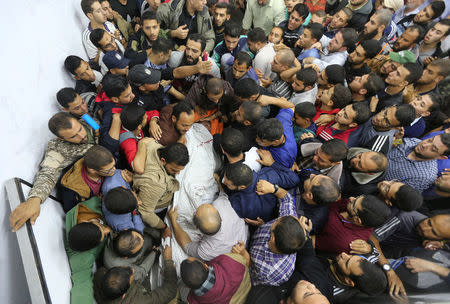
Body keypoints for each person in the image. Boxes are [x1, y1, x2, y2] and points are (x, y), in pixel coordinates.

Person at [10, 112, 98, 232]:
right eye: (73, 136)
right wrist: (35, 199)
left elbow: (103, 130)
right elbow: (48, 173)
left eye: (80, 129)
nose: (82, 136)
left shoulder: (89, 121)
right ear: (61, 138)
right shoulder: (57, 149)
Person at [248, 181, 311, 286]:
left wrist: (247, 259)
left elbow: (250, 275)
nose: (275, 220)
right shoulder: (287, 220)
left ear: (272, 238)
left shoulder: (271, 272)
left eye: (273, 224)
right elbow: (286, 198)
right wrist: (273, 188)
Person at [168, 190, 249, 261]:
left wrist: (173, 221)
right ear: (221, 219)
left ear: (196, 228)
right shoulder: (221, 204)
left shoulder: (206, 250)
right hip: (244, 241)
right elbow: (222, 191)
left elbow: (187, 246)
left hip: (240, 250)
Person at [94, 240, 177, 303]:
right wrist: (168, 261)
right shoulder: (137, 300)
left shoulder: (99, 275)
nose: (133, 270)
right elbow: (170, 291)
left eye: (124, 268)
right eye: (131, 276)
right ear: (124, 296)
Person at [64, 196, 111, 303]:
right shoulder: (80, 259)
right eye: (104, 235)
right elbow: (82, 285)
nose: (107, 230)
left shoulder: (90, 206)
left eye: (102, 227)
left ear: (84, 221)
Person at [133, 141, 189, 229]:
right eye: (174, 170)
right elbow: (146, 213)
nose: (178, 173)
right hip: (155, 204)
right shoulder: (156, 184)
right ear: (163, 161)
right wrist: (164, 227)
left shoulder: (152, 145)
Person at [224, 158, 299, 222]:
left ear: (242, 187)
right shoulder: (270, 175)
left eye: (228, 184)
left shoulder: (242, 205)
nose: (224, 182)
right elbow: (295, 179)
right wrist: (273, 163)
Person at [315, 194, 391, 255]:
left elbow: (311, 240)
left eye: (353, 203)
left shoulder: (344, 241)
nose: (351, 198)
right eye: (357, 197)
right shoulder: (356, 209)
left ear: (357, 220)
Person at [385, 133, 450, 193]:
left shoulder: (424, 177)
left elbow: (395, 193)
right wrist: (394, 140)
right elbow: (392, 143)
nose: (424, 145)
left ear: (441, 157)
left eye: (433, 149)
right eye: (429, 140)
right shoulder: (413, 141)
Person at [59, 145, 116, 212]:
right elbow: (72, 211)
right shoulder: (72, 191)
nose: (114, 169)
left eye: (114, 165)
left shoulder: (103, 162)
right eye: (109, 170)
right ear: (92, 170)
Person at [180, 250, 252, 303]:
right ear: (206, 266)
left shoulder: (192, 301)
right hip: (249, 292)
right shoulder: (232, 261)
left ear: (187, 287)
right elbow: (245, 261)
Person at [256, 97, 297, 168]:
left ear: (275, 142)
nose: (257, 140)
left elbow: (285, 172)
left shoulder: (285, 157)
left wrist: (272, 164)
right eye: (257, 137)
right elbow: (291, 107)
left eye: (262, 141)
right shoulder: (283, 119)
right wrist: (273, 100)